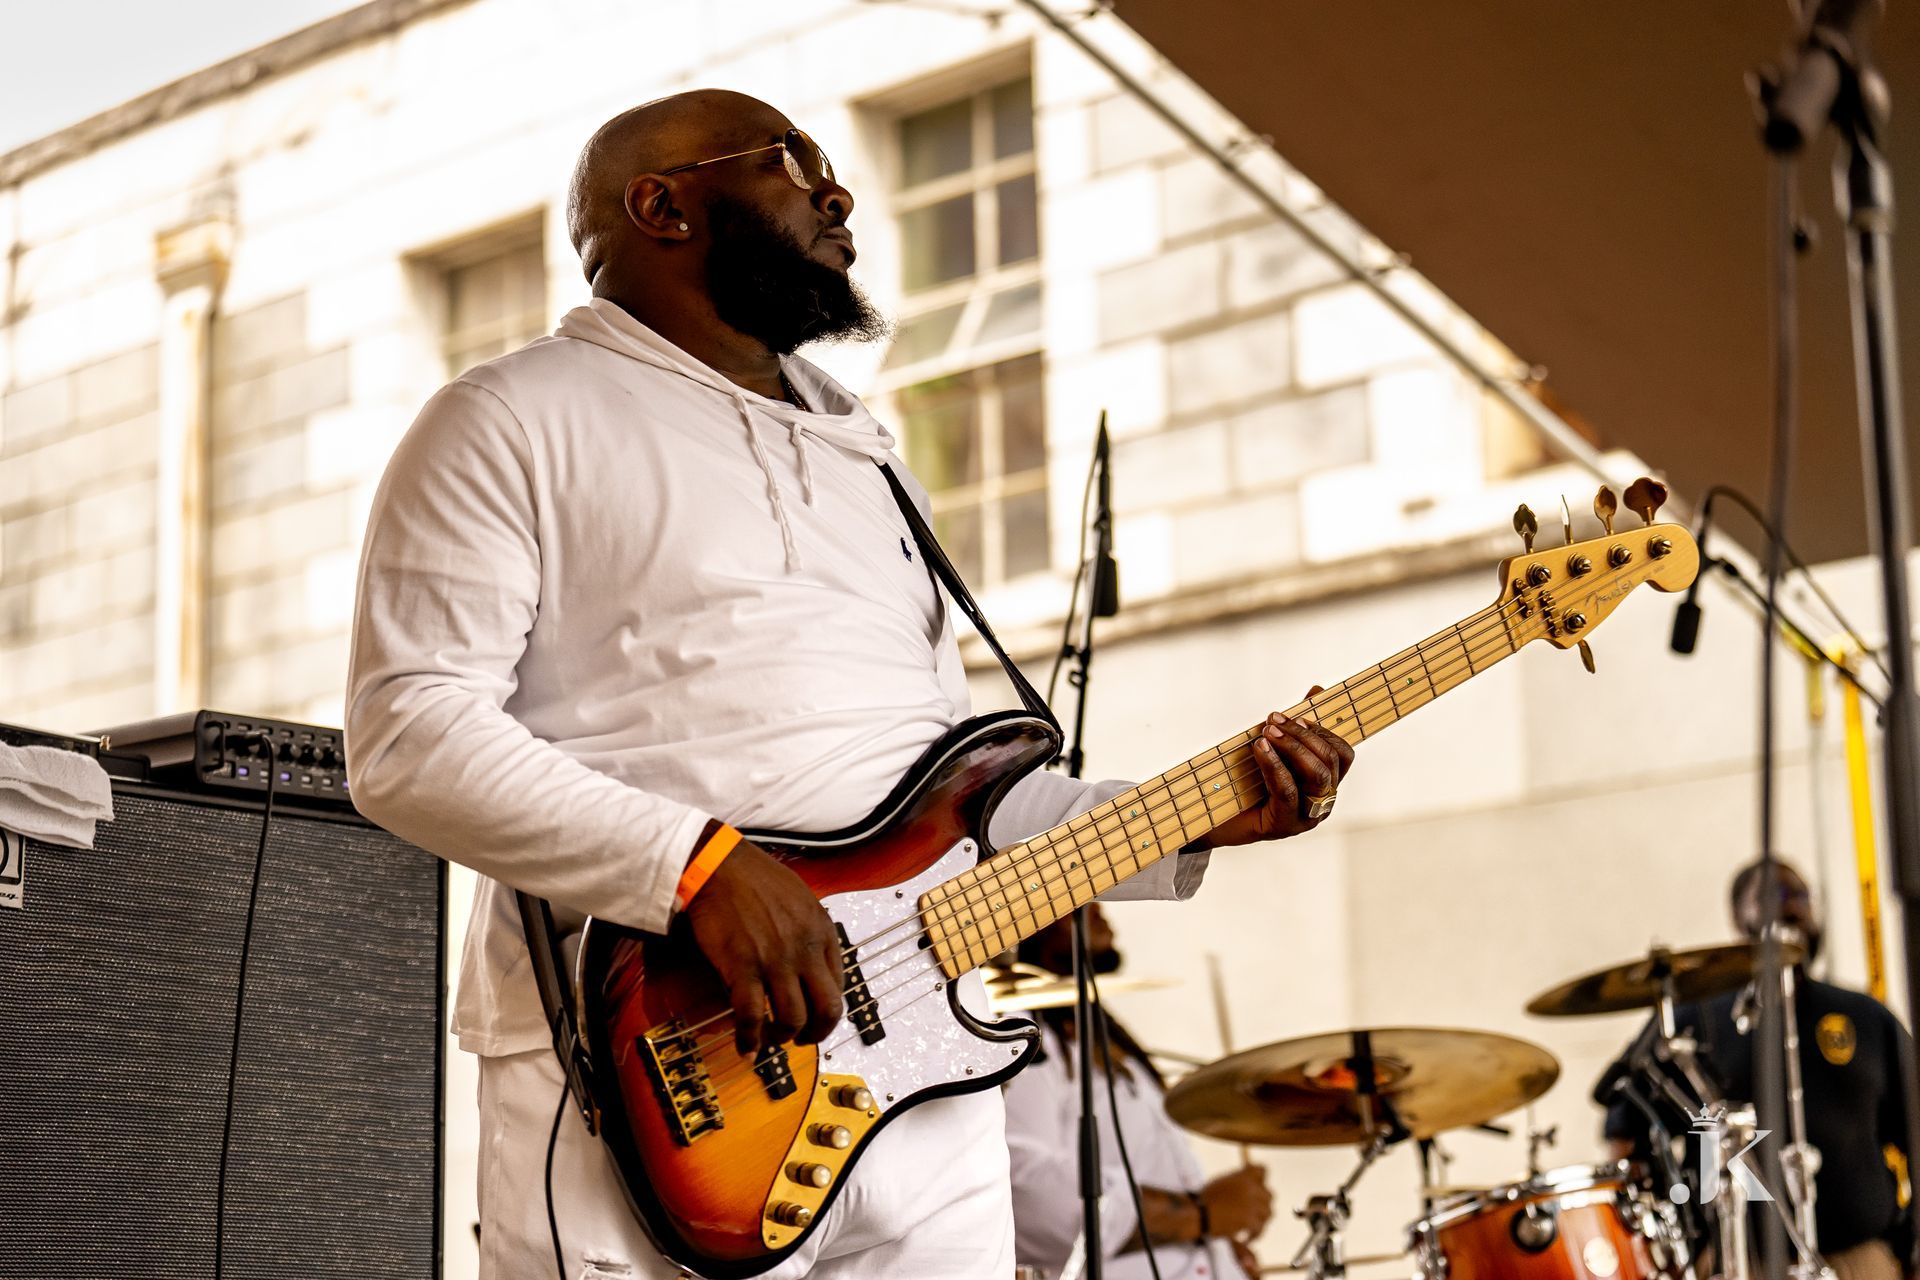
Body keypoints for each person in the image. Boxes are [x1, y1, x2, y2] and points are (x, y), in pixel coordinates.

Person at [346, 89, 1354, 1280]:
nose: (839, 193)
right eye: (791, 162)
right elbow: (409, 734)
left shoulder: (872, 462)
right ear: (661, 206)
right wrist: (698, 865)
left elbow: (961, 804)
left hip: (925, 1081)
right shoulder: (509, 417)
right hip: (666, 1077)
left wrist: (1198, 814)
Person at [1596, 860, 1915, 1280]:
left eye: (1800, 896)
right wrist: (1668, 1244)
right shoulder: (1697, 1020)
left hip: (1861, 1260)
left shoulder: (1866, 1017)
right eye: (1770, 897)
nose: (1791, 908)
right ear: (1737, 916)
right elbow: (1625, 1131)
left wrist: (1911, 1245)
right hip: (1736, 1262)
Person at [1000, 904, 1271, 1280]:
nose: (1096, 908)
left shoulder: (1098, 1032)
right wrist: (1200, 1216)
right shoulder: (1021, 1036)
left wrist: (1216, 1246)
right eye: (1074, 902)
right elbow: (1028, 1195)